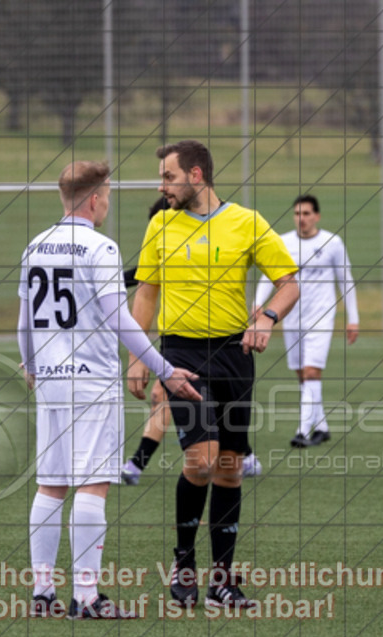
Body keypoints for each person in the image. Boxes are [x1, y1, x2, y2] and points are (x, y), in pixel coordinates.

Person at [18, 160, 202, 620]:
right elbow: (121, 320)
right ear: (96, 198)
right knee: (92, 484)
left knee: (51, 484)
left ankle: (42, 593)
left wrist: (31, 363)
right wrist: (166, 368)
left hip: (51, 380)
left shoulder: (35, 246)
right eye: (108, 197)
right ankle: (86, 596)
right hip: (93, 380)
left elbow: (24, 321)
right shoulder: (100, 248)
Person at [127, 140, 299, 608]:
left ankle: (222, 582)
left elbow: (289, 283)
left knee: (228, 470)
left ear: (197, 175)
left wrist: (266, 318)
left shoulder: (248, 221)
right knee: (201, 462)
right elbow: (146, 291)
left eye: (168, 177)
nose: (162, 186)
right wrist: (139, 356)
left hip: (234, 356)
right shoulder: (160, 224)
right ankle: (184, 563)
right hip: (180, 354)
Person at [121, 196, 260, 485]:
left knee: (171, 398)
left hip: (211, 346)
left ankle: (138, 463)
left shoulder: (202, 248)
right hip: (177, 346)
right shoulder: (165, 249)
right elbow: (140, 279)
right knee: (166, 398)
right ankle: (138, 464)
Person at [254, 194, 359, 448]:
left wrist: (353, 318)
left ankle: (302, 431)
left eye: (307, 214)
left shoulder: (332, 243)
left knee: (312, 371)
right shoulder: (284, 242)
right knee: (302, 374)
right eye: (298, 214)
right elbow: (270, 276)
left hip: (321, 317)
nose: (302, 219)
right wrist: (258, 304)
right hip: (292, 317)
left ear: (317, 216)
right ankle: (321, 427)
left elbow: (346, 280)